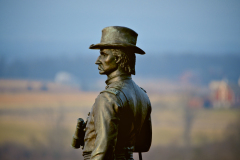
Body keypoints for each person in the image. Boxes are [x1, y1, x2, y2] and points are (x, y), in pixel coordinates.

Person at [83, 26, 152, 160]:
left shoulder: (108, 98)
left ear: (119, 57)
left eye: (104, 54)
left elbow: (102, 152)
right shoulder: (143, 95)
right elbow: (143, 145)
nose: (98, 60)